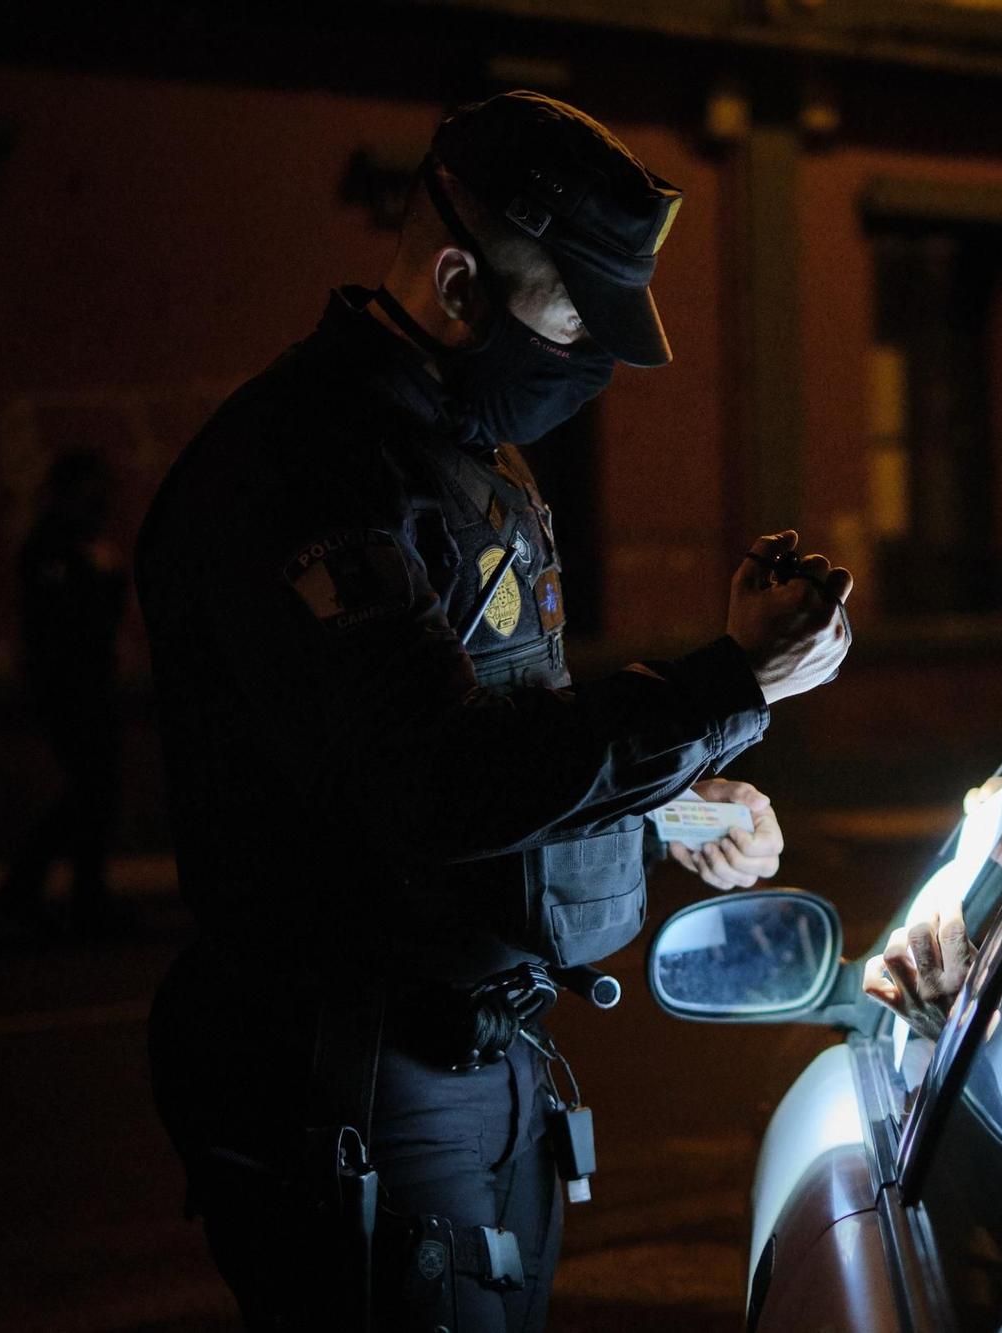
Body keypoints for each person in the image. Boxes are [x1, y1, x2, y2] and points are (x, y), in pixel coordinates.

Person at [135, 91, 850, 1332]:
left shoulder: (468, 458)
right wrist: (729, 683)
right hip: (356, 1075)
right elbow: (431, 783)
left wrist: (664, 808)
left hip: (482, 1060)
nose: (588, 358)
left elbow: (504, 737)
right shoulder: (309, 467)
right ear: (458, 281)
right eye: (572, 314)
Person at [0, 448, 131, 935]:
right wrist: (98, 574)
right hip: (68, 685)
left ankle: (68, 890)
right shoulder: (51, 546)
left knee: (94, 790)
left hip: (90, 681)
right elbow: (66, 618)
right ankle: (60, 891)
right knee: (91, 788)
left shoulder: (80, 543)